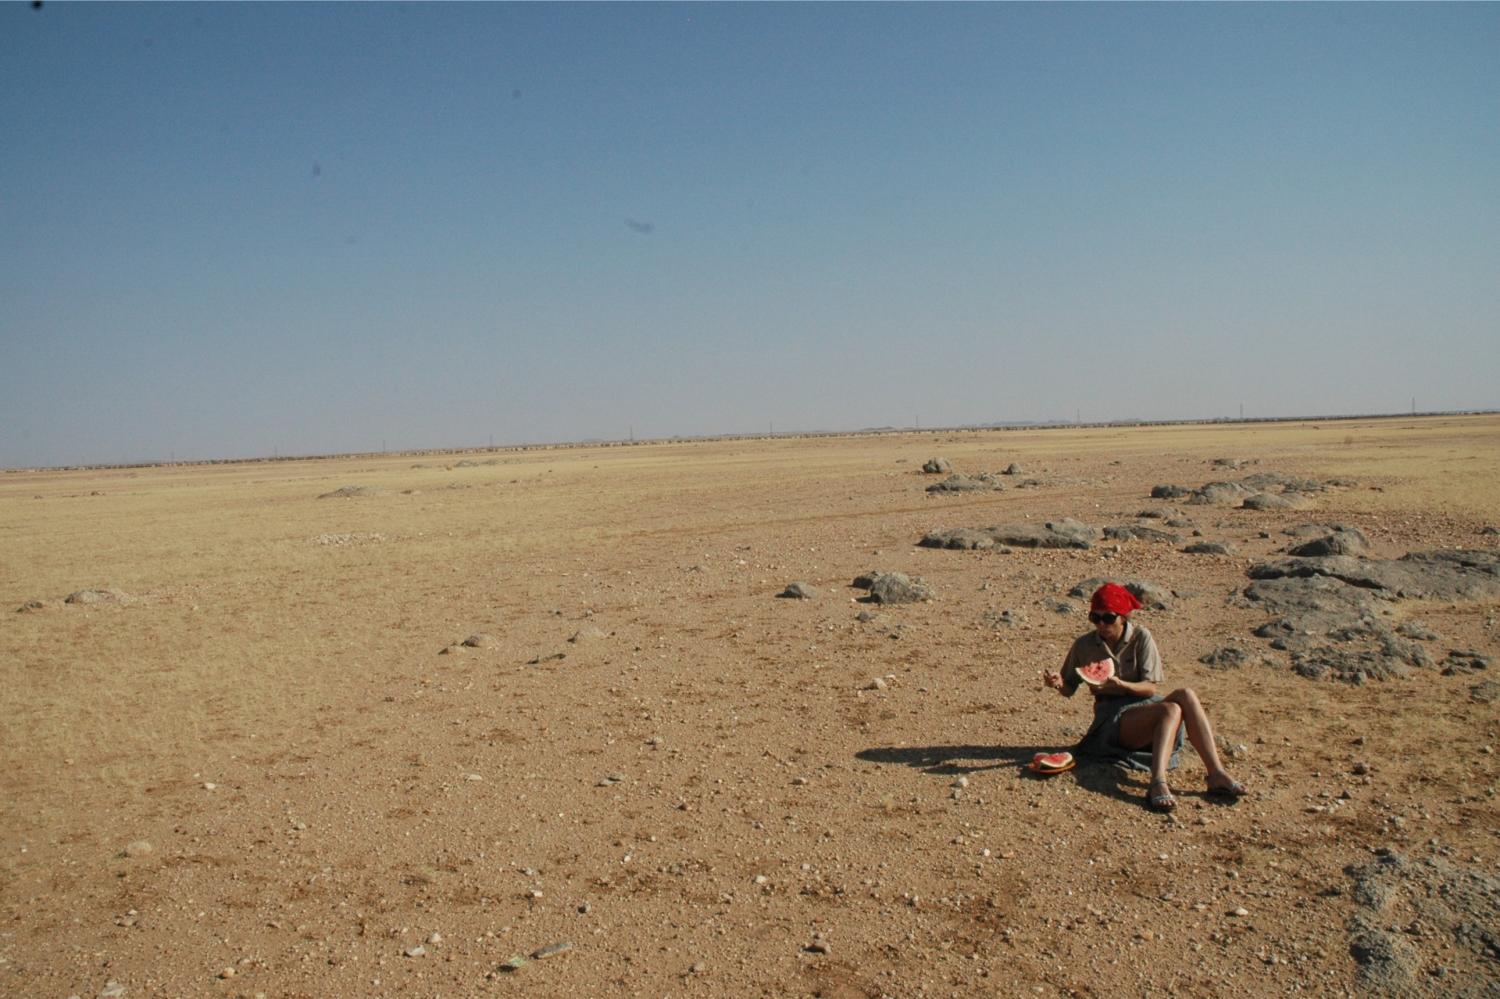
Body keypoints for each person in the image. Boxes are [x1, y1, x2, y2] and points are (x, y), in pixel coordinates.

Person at [1040, 582, 1246, 811]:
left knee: (1186, 695)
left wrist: (1121, 683)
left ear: (1123, 617)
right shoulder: (1084, 645)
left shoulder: (1141, 637)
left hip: (1146, 706)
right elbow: (1069, 688)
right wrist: (1058, 684)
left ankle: (1216, 773)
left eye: (1108, 618)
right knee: (1171, 709)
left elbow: (1150, 688)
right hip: (1111, 719)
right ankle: (1157, 782)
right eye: (1094, 617)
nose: (1101, 624)